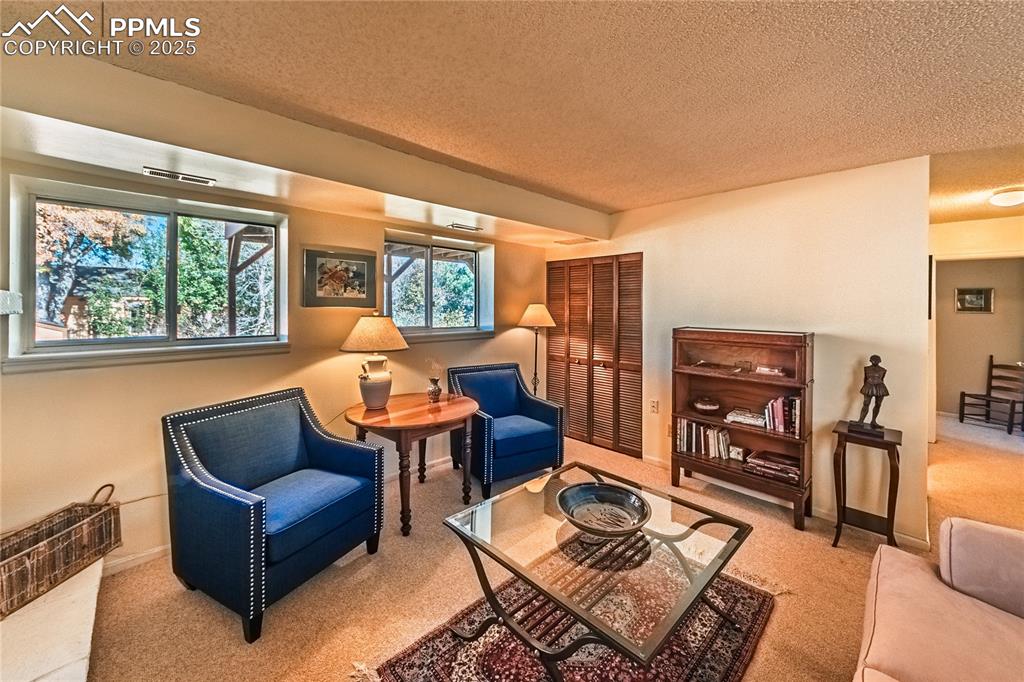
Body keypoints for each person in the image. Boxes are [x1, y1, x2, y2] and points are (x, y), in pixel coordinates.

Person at [857, 355, 889, 429]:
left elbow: (882, 379)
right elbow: (865, 379)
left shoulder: (883, 370)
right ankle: (861, 421)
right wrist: (865, 387)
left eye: (877, 360)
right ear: (870, 360)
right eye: (874, 360)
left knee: (878, 404)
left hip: (880, 388)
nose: (875, 362)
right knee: (866, 403)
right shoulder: (866, 369)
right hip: (868, 386)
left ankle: (873, 421)